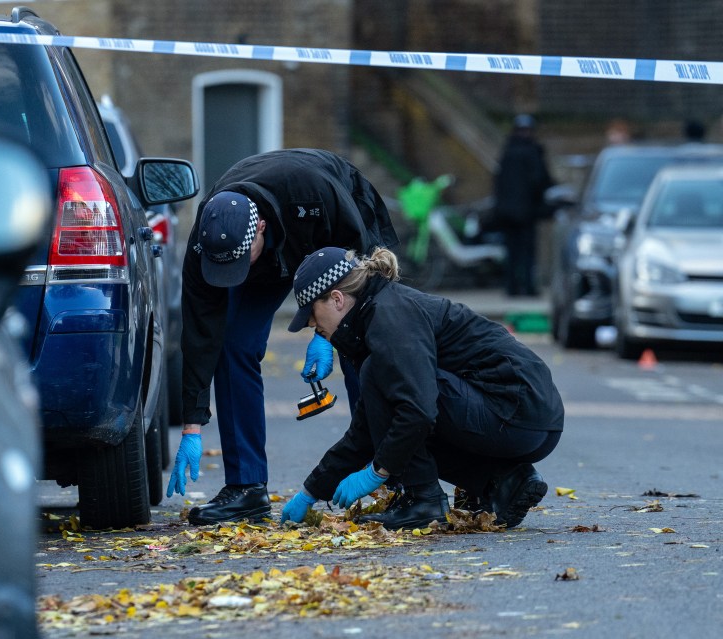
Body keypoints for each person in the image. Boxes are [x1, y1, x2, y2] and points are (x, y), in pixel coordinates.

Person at [167, 148, 400, 525]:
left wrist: (326, 333)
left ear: (258, 228)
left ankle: (391, 474)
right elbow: (200, 333)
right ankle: (246, 488)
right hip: (273, 254)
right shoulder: (209, 238)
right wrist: (192, 424)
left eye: (243, 262)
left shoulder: (313, 192)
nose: (235, 275)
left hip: (335, 233)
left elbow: (354, 262)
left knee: (361, 342)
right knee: (233, 345)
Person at [279, 246, 564, 530]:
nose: (314, 326)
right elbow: (367, 430)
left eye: (313, 317)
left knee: (402, 402)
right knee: (397, 409)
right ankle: (504, 482)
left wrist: (377, 472)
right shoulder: (382, 310)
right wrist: (312, 491)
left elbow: (419, 410)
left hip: (517, 413)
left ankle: (423, 501)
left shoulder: (389, 319)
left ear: (337, 299)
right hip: (531, 417)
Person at [492, 113, 554, 297]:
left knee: (512, 251)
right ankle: (527, 288)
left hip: (507, 212)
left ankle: (511, 287)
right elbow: (539, 180)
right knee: (527, 253)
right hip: (526, 212)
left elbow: (498, 182)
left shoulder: (507, 151)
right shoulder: (533, 152)